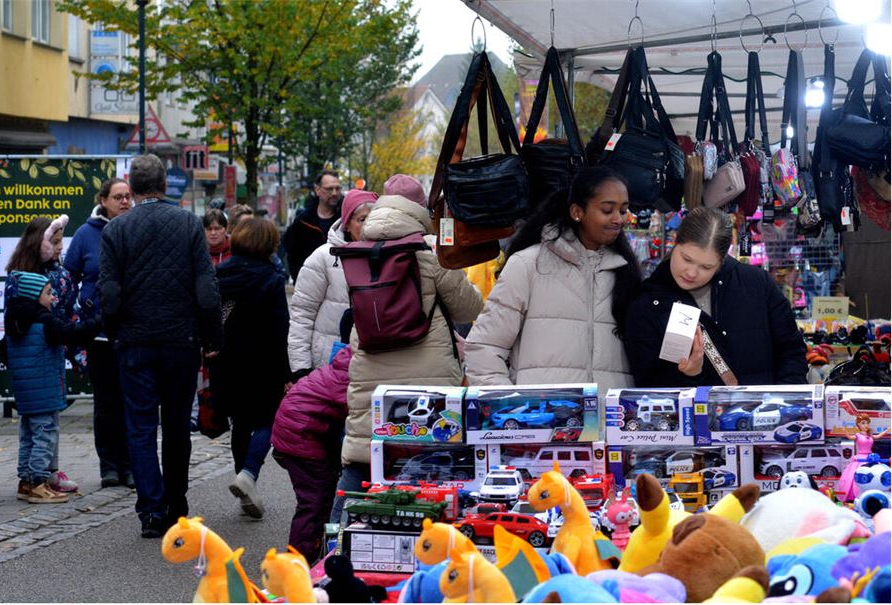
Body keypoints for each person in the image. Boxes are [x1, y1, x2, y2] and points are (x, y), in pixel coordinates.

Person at [334, 184, 483, 522]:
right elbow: (468, 308)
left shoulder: (357, 250)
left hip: (371, 377)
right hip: (429, 382)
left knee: (361, 460)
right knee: (432, 467)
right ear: (420, 209)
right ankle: (427, 543)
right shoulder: (429, 252)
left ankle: (336, 547)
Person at [99, 154, 223, 538]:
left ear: (132, 189)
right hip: (179, 341)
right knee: (175, 426)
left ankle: (150, 510)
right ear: (165, 185)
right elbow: (206, 289)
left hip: (135, 342)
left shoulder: (116, 231)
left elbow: (109, 293)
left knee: (139, 426)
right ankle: (176, 502)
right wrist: (212, 335)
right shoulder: (187, 224)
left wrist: (116, 330)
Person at [464, 166, 641, 388]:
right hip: (541, 418)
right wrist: (510, 405)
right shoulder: (527, 265)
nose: (618, 219)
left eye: (623, 211)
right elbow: (484, 347)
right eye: (607, 210)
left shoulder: (626, 273)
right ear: (577, 212)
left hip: (611, 419)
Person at [624, 207, 808, 386]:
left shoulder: (756, 284)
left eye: (706, 267)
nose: (692, 272)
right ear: (675, 243)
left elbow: (791, 349)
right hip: (692, 416)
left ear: (721, 261)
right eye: (686, 259)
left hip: (765, 412)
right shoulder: (648, 303)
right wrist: (691, 376)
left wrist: (784, 402)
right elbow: (647, 383)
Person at [210, 217, 290, 520]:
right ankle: (248, 473)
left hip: (226, 362)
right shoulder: (270, 278)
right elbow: (280, 329)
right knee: (270, 419)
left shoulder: (220, 274)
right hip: (263, 362)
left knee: (241, 422)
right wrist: (287, 372)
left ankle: (245, 486)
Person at [63, 178, 135, 489]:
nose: (124, 202)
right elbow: (68, 277)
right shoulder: (85, 234)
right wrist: (80, 312)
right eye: (118, 197)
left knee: (132, 401)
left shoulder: (136, 228)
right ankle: (109, 465)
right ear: (103, 200)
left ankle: (132, 464)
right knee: (105, 403)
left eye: (128, 197)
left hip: (133, 332)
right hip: (99, 334)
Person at [4, 272, 99, 504]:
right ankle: (38, 481)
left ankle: (25, 481)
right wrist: (98, 321)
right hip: (45, 391)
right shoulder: (44, 321)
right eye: (47, 292)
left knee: (28, 435)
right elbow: (72, 334)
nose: (53, 296)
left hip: (26, 393)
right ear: (34, 296)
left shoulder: (14, 322)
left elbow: (3, 353)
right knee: (45, 435)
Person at [5, 215, 79, 494]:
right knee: (43, 421)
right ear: (40, 244)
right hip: (40, 355)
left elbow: (69, 306)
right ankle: (39, 475)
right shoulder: (22, 278)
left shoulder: (59, 272)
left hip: (52, 353)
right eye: (55, 242)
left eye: (62, 242)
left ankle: (43, 471)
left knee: (47, 417)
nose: (60, 248)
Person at [273, 312, 353, 563]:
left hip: (298, 429)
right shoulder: (353, 373)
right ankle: (298, 562)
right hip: (299, 435)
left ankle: (309, 552)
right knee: (314, 500)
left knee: (319, 495)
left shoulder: (344, 361)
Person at [288, 189, 376, 379]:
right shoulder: (324, 257)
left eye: (374, 217)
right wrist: (300, 368)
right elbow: (302, 315)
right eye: (362, 219)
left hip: (374, 365)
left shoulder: (390, 257)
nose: (369, 224)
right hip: (328, 364)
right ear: (347, 224)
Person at [284, 170, 343, 282]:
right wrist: (299, 280)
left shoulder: (346, 218)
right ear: (317, 190)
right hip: (311, 284)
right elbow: (292, 254)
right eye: (329, 189)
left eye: (337, 188)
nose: (335, 193)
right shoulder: (303, 221)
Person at [836, 415, 890, 503]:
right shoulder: (857, 435)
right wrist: (845, 431)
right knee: (857, 476)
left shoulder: (870, 434)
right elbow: (850, 438)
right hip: (860, 458)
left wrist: (886, 431)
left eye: (867, 423)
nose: (866, 425)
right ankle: (856, 494)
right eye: (863, 423)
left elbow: (877, 437)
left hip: (871, 458)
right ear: (858, 424)